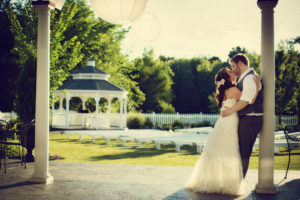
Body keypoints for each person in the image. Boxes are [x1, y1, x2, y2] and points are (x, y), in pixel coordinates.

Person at [184, 66, 260, 195]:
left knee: (218, 151)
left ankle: (214, 182)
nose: (232, 71)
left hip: (223, 122)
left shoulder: (227, 90)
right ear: (228, 78)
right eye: (229, 72)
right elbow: (250, 100)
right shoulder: (234, 89)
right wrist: (257, 87)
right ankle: (226, 184)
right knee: (229, 152)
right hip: (230, 121)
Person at [221, 53, 263, 178]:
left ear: (240, 63)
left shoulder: (250, 78)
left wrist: (231, 111)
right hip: (247, 118)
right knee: (240, 152)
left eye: (233, 66)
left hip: (251, 118)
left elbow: (247, 100)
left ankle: (238, 183)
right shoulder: (245, 78)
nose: (232, 70)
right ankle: (235, 180)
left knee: (244, 152)